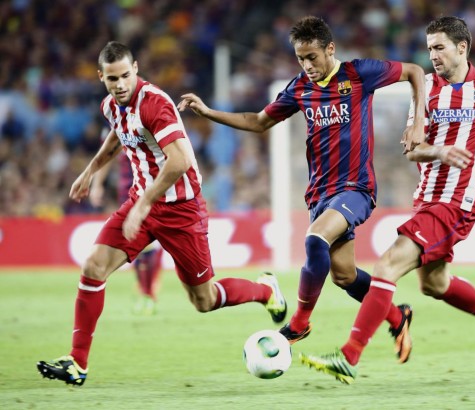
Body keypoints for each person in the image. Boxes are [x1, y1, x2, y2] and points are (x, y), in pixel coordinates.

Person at [299, 16, 475, 384]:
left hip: (457, 203)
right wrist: (439, 152)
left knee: (387, 266)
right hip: (427, 199)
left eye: (439, 47)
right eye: (429, 49)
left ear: (463, 48)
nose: (433, 56)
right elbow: (413, 151)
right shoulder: (425, 88)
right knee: (435, 284)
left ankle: (350, 356)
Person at [36, 41, 287, 386]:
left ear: (136, 69)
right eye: (113, 79)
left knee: (204, 299)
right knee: (93, 266)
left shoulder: (155, 104)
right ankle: (77, 363)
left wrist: (143, 204)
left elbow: (180, 160)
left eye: (126, 75)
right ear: (102, 78)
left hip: (181, 210)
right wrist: (90, 170)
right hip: (143, 202)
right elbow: (118, 135)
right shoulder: (111, 105)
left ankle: (265, 291)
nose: (121, 84)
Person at [177, 15, 426, 361]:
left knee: (314, 239)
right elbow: (259, 121)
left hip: (356, 188)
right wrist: (208, 112)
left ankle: (299, 322)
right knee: (344, 276)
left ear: (330, 49)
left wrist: (416, 123)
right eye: (300, 58)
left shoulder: (358, 74)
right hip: (320, 193)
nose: (307, 65)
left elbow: (415, 71)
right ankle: (398, 317)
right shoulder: (299, 88)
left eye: (312, 57)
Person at [89, 148, 164, 315]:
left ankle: (148, 295)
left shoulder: (146, 125)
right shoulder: (115, 128)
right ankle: (147, 293)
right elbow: (106, 154)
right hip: (127, 192)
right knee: (134, 240)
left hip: (150, 190)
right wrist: (97, 184)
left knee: (148, 243)